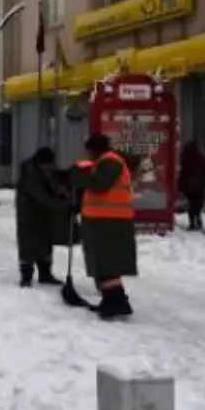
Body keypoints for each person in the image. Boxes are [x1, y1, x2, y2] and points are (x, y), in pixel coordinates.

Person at [73, 133, 137, 318]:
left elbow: (99, 185)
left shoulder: (111, 162)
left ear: (96, 149)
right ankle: (114, 301)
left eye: (89, 151)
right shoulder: (104, 162)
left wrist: (79, 175)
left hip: (110, 221)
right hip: (102, 219)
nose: (88, 155)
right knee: (104, 262)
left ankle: (114, 302)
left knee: (107, 262)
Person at [15, 147, 70, 287]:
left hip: (45, 212)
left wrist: (62, 190)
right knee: (28, 244)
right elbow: (40, 196)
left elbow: (56, 183)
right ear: (40, 163)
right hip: (29, 212)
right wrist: (63, 205)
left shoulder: (47, 169)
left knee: (46, 242)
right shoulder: (30, 173)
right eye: (48, 165)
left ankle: (45, 274)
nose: (50, 168)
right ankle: (26, 276)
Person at [178, 140, 205, 230]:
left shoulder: (185, 158)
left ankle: (192, 222)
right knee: (198, 203)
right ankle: (197, 217)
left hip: (188, 186)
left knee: (191, 204)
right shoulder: (201, 158)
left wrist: (180, 185)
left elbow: (182, 172)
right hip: (199, 185)